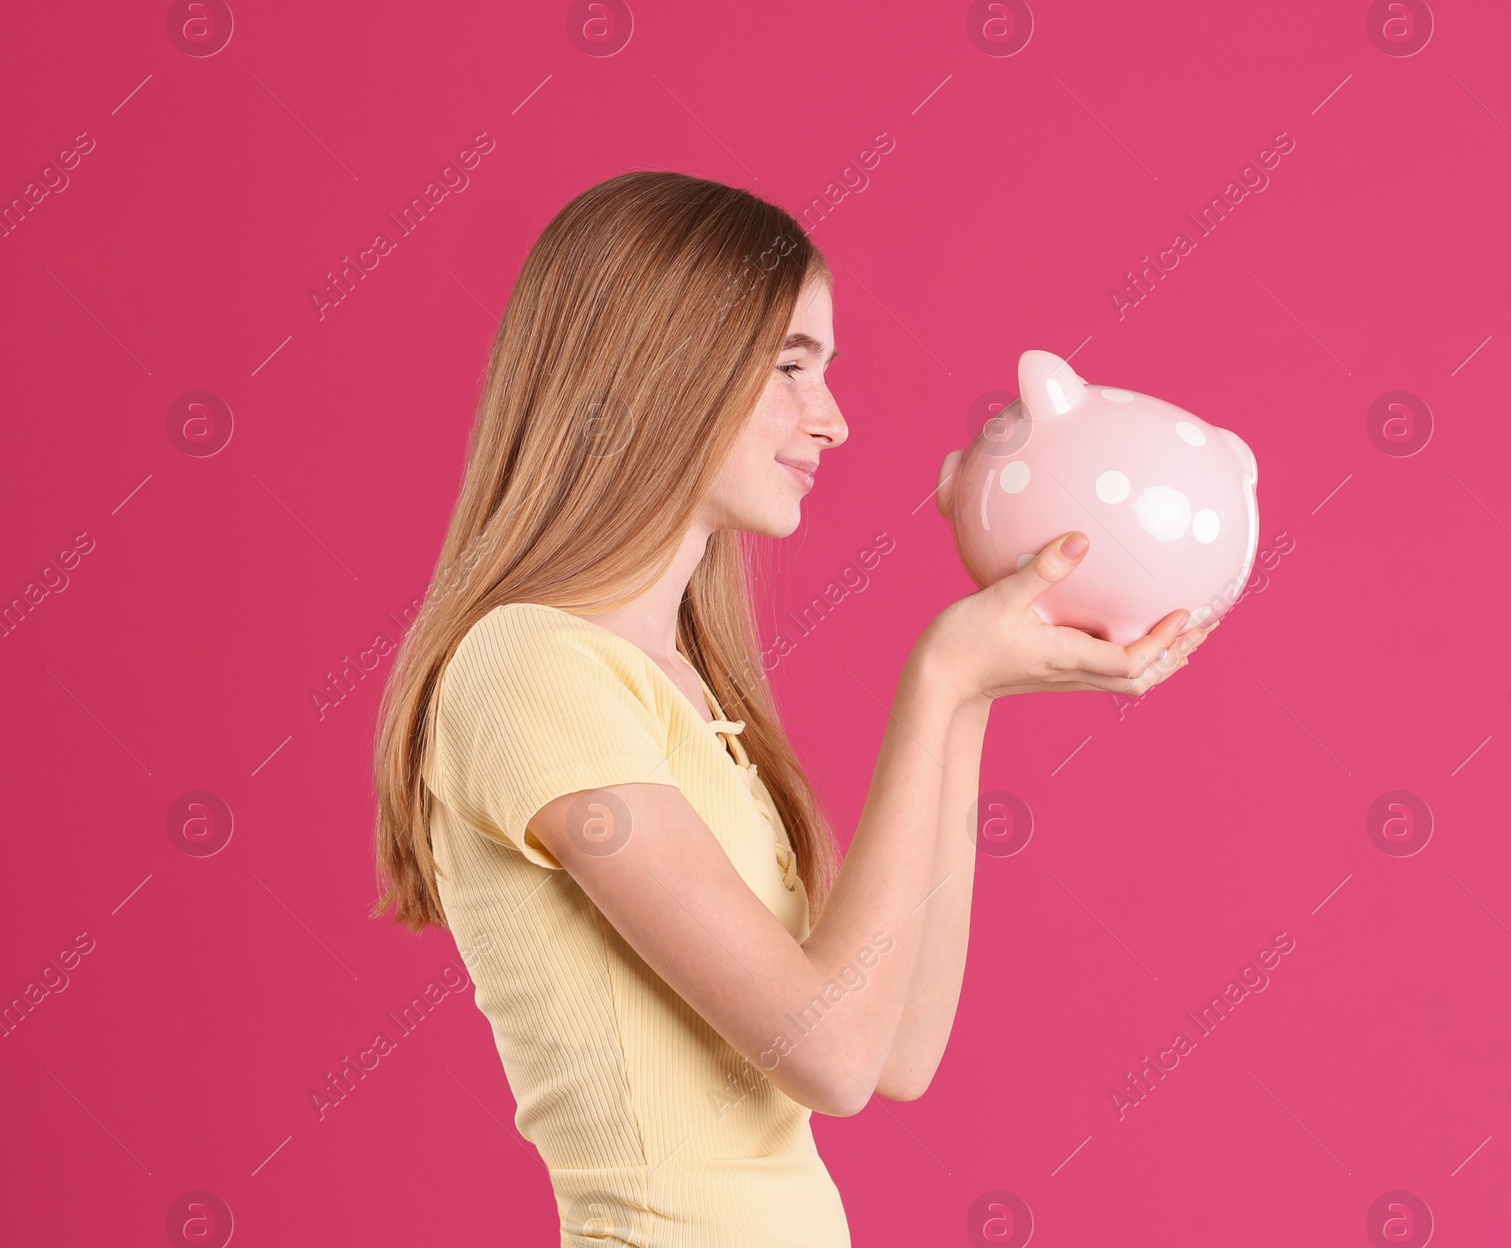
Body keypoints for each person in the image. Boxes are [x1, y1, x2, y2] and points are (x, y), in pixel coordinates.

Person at [369, 170, 1211, 1247]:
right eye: (789, 368)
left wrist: (972, 702)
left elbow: (896, 1045)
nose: (835, 422)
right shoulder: (531, 671)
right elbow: (831, 1055)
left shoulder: (688, 686)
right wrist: (938, 678)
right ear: (657, 369)